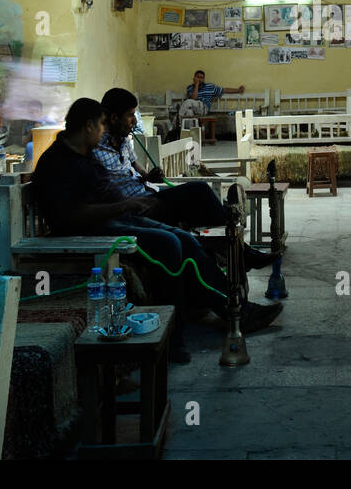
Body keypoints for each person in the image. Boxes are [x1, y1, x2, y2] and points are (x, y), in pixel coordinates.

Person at [32, 98, 282, 351]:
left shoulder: (84, 155)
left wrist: (135, 201)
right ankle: (175, 336)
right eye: (100, 125)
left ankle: (235, 309)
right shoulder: (56, 163)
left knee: (185, 239)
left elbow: (107, 193)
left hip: (115, 219)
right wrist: (124, 206)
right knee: (170, 244)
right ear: (87, 126)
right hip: (90, 232)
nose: (103, 131)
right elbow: (69, 218)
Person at [94, 87, 274, 268]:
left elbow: (133, 164)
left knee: (202, 203)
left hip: (147, 195)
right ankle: (238, 250)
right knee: (199, 192)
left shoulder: (123, 139)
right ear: (114, 118)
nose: (134, 121)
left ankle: (236, 250)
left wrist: (149, 175)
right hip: (136, 208)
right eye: (130, 115)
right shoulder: (95, 149)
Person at [176, 69, 244, 123]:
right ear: (194, 78)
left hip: (204, 108)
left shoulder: (210, 87)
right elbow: (194, 97)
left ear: (204, 79)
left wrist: (238, 90)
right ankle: (192, 135)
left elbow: (224, 90)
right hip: (193, 109)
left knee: (188, 102)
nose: (199, 79)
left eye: (201, 78)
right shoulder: (190, 88)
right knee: (188, 112)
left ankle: (177, 124)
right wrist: (196, 85)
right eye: (197, 77)